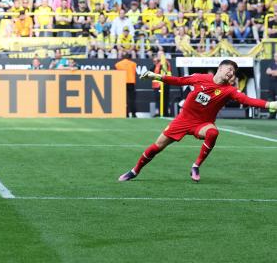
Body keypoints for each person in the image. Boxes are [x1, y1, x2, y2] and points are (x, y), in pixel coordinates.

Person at [119, 60, 277, 182]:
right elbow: (179, 80)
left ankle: (195, 166)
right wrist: (156, 76)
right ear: (220, 68)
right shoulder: (200, 78)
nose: (231, 73)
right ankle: (134, 171)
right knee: (157, 146)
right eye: (229, 69)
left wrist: (269, 104)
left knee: (213, 132)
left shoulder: (229, 90)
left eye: (233, 72)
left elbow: (247, 100)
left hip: (202, 123)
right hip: (183, 120)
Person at [115, 53, 137, 118]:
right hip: (131, 82)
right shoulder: (133, 64)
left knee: (124, 99)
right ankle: (133, 114)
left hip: (122, 82)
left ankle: (126, 114)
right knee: (132, 99)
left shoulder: (118, 64)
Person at [265, 52, 277, 118]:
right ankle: (272, 115)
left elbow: (274, 73)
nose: (276, 57)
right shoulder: (271, 64)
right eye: (275, 56)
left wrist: (272, 72)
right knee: (271, 99)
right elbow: (267, 71)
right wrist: (274, 72)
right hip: (272, 85)